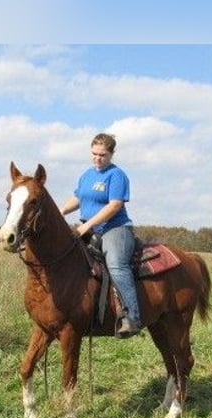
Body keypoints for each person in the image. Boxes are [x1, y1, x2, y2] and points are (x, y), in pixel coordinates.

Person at [60, 133, 141, 338]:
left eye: (103, 155)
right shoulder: (87, 175)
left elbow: (114, 206)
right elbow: (78, 198)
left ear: (112, 154)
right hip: (88, 228)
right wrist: (59, 211)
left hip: (115, 229)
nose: (98, 158)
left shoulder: (116, 175)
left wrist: (86, 226)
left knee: (116, 264)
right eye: (94, 154)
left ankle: (131, 317)